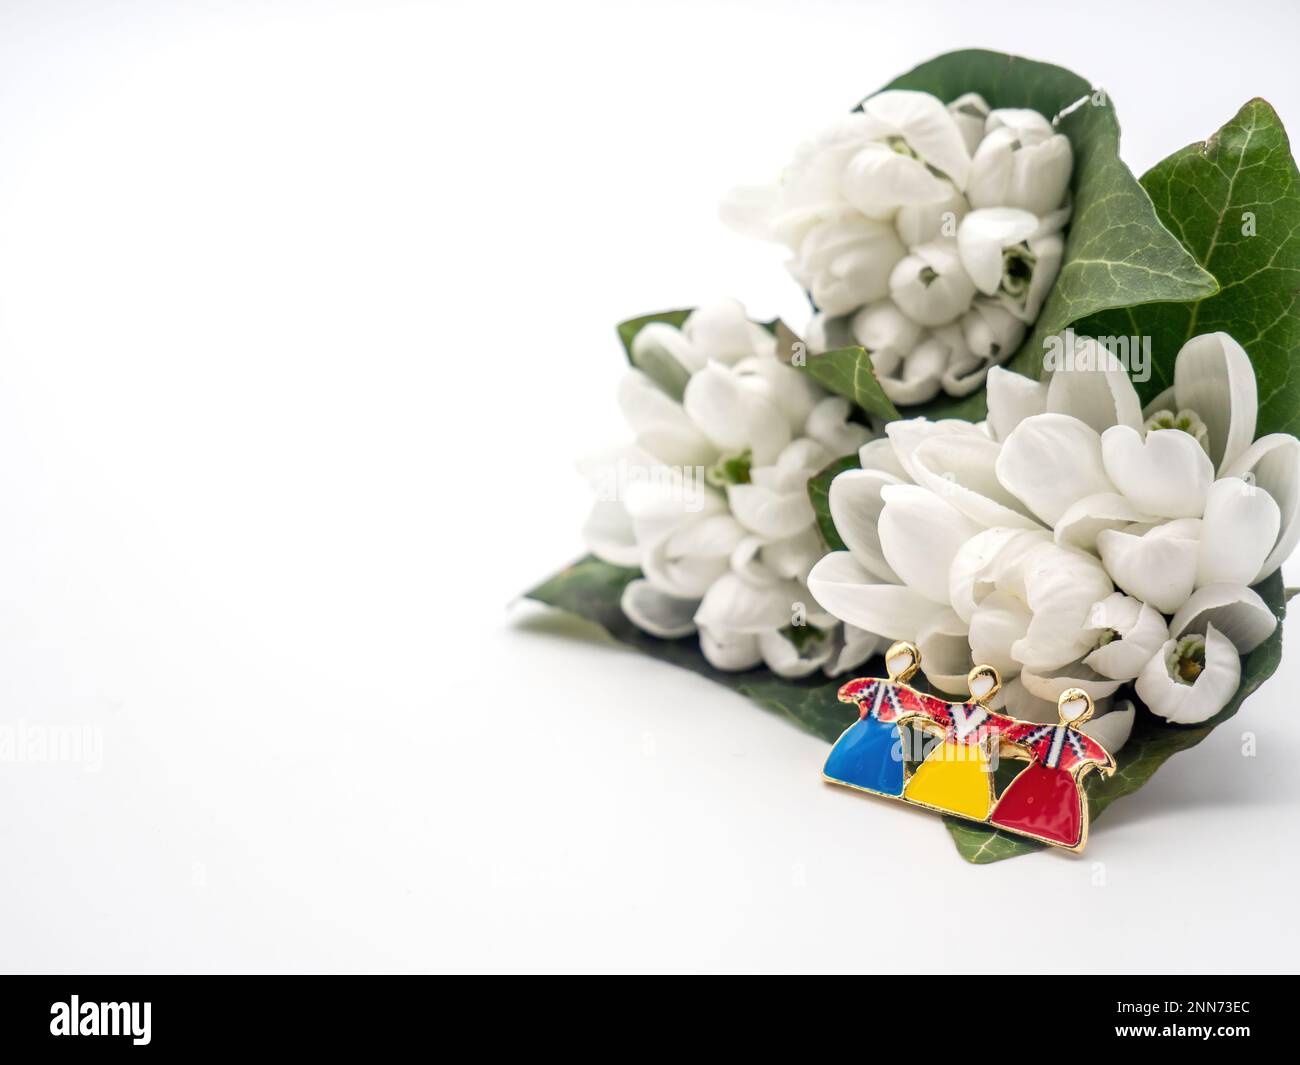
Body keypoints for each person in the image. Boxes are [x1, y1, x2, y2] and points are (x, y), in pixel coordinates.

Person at [989, 688, 1116, 850]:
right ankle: (1011, 820)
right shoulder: (1045, 731)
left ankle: (1060, 834)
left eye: (1077, 709)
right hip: (1037, 773)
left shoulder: (1082, 741)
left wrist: (1106, 764)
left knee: (1058, 808)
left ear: (1084, 714)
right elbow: (1021, 732)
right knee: (1024, 798)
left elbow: (1098, 754)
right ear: (1061, 709)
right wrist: (1005, 735)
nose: (1072, 713)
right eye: (1069, 707)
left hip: (1063, 782)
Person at [902, 664, 1012, 821]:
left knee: (966, 790)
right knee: (931, 781)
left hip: (972, 758)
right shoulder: (954, 709)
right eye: (978, 683)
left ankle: (963, 805)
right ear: (970, 684)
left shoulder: (993, 720)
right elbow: (931, 714)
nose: (981, 689)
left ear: (993, 690)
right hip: (949, 749)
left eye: (987, 685)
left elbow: (1007, 738)